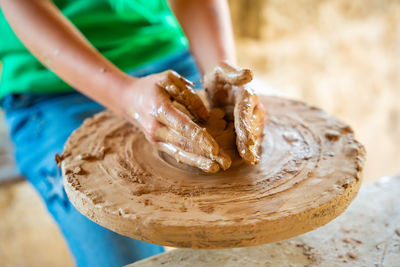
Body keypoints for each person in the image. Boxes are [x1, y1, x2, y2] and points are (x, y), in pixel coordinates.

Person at [0, 0, 265, 266]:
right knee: (119, 250)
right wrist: (124, 95)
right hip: (53, 82)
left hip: (165, 52)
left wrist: (223, 73)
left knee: (257, 229)